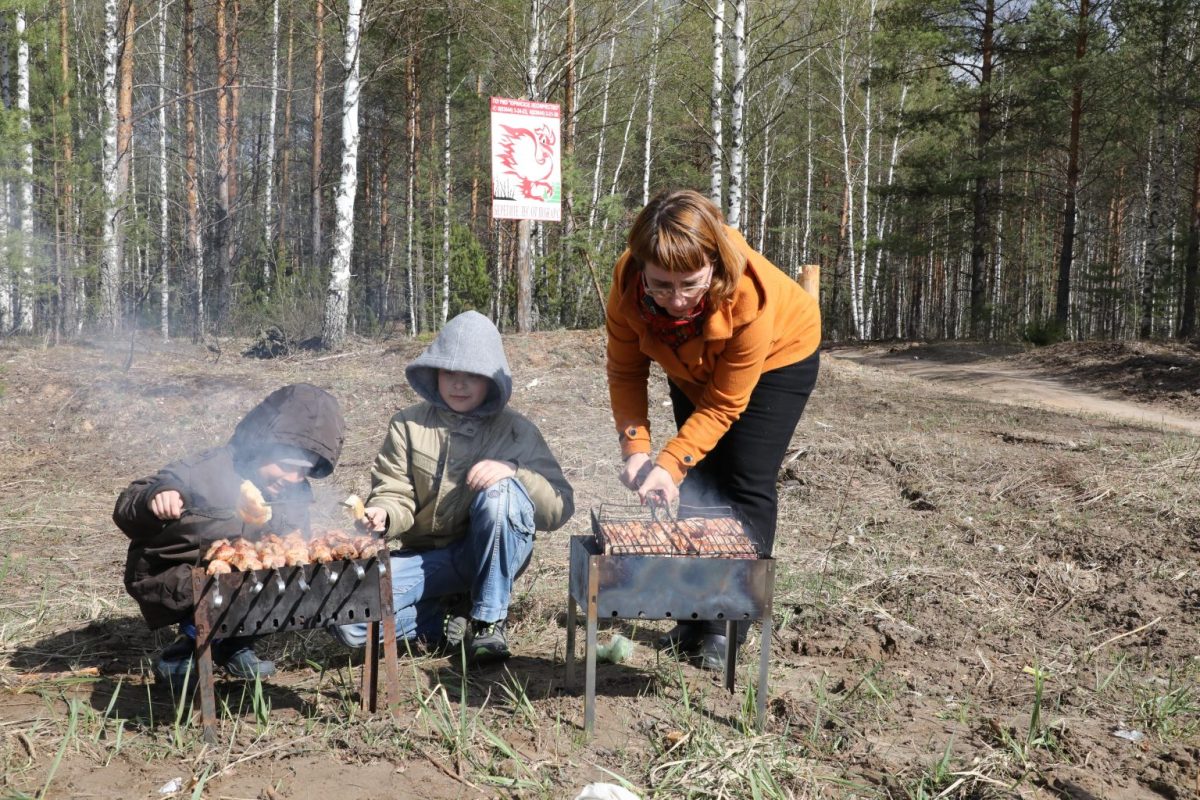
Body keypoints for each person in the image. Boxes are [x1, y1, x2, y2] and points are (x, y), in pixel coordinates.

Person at [605, 188, 821, 671]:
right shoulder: (626, 289)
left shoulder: (749, 295)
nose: (676, 300)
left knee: (742, 481)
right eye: (661, 286)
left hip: (778, 359)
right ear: (642, 268)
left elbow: (725, 404)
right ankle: (692, 608)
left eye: (690, 284)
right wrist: (639, 452)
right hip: (690, 362)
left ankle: (727, 621)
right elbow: (625, 373)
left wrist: (669, 461)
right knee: (699, 481)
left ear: (714, 267)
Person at [332, 310, 574, 663]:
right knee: (347, 618)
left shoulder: (516, 431)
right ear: (434, 374)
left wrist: (512, 471)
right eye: (449, 373)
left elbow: (560, 507)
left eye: (471, 376)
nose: (458, 384)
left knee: (500, 493)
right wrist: (383, 513)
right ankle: (441, 620)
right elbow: (394, 489)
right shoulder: (407, 425)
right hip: (429, 560)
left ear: (491, 381)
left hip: (487, 556)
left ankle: (488, 621)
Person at [113, 383, 346, 689]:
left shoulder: (294, 489)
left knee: (283, 577)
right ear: (261, 445)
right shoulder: (208, 469)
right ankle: (184, 651)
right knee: (223, 580)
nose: (294, 479)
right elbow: (127, 505)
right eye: (288, 465)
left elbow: (294, 540)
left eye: (305, 471)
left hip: (242, 581)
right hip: (177, 574)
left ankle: (234, 644)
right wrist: (156, 498)